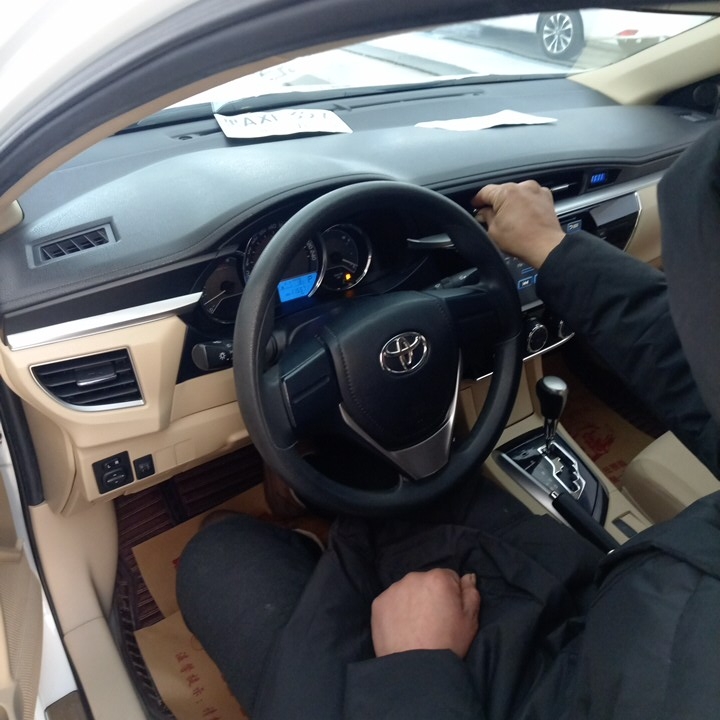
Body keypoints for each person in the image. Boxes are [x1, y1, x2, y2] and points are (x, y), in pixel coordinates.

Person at [177, 126, 720, 719]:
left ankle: (313, 532)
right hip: (599, 615)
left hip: (472, 692)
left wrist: (417, 664)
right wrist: (553, 250)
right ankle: (328, 521)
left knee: (216, 558)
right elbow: (700, 364)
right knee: (421, 487)